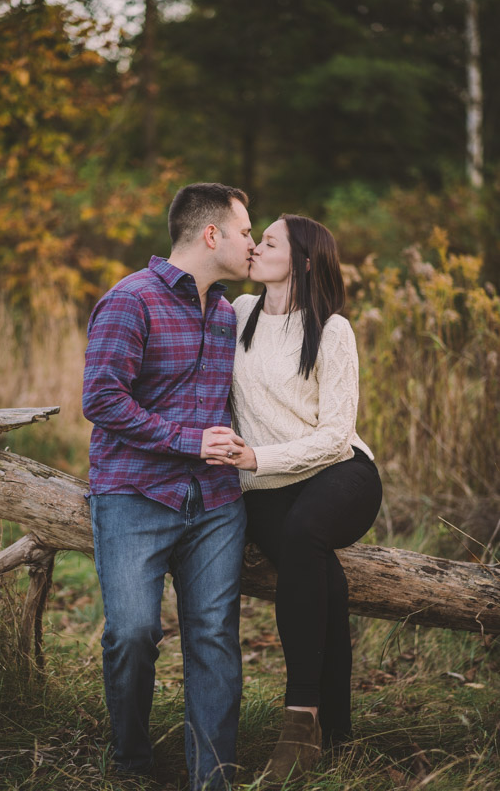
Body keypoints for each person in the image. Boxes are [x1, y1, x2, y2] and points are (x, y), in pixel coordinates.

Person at [82, 182, 256, 791]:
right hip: (134, 494)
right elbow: (101, 399)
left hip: (215, 503)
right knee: (133, 632)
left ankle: (214, 778)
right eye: (244, 231)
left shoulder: (229, 312)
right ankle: (131, 763)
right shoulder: (132, 300)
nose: (251, 243)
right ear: (212, 235)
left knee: (213, 637)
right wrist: (189, 440)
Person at [205, 214, 383, 785]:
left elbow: (335, 434)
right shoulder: (235, 316)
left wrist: (256, 458)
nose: (256, 246)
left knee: (306, 535)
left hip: (340, 474)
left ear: (303, 261)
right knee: (325, 582)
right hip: (265, 489)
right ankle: (339, 734)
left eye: (270, 241)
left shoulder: (332, 329)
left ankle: (297, 724)